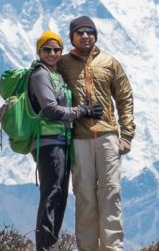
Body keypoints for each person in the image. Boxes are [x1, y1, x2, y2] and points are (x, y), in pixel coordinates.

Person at [57, 16, 135, 251]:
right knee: (84, 197)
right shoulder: (62, 64)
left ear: (96, 35)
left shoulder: (110, 63)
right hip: (78, 139)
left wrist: (127, 135)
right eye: (80, 32)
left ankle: (113, 248)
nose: (85, 36)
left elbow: (124, 97)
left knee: (111, 194)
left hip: (108, 136)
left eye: (90, 31)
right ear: (72, 37)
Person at [29, 30, 103, 251]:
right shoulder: (40, 74)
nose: (52, 53)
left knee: (59, 195)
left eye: (56, 49)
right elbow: (50, 109)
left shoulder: (55, 74)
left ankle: (49, 245)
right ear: (39, 51)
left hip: (60, 142)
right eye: (47, 49)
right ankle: (45, 247)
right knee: (52, 194)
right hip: (49, 142)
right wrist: (82, 111)